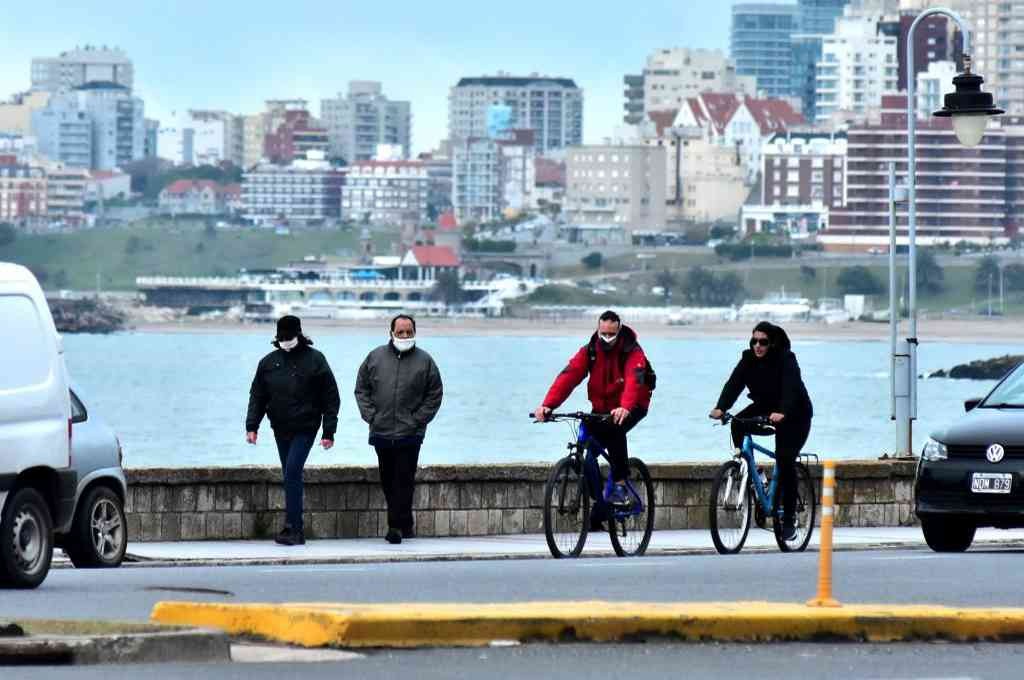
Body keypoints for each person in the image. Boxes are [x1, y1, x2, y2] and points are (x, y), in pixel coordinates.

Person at [534, 310, 654, 519]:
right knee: (587, 452)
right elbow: (568, 376)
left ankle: (620, 484)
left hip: (634, 404)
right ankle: (600, 507)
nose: (607, 338)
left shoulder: (632, 351)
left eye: (611, 334)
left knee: (615, 428)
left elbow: (634, 381)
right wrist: (547, 405)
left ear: (619, 331)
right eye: (603, 333)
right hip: (602, 408)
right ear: (598, 330)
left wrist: (625, 406)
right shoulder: (590, 350)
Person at [709, 321, 813, 541]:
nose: (757, 346)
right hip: (766, 407)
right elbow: (734, 383)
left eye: (763, 342)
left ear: (772, 343)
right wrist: (721, 407)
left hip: (795, 414)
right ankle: (749, 468)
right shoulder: (748, 359)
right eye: (754, 341)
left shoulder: (786, 359)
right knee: (737, 423)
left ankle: (789, 520)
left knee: (785, 459)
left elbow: (791, 387)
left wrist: (783, 411)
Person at [246, 315, 340, 546]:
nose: (286, 341)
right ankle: (293, 528)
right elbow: (257, 396)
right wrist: (252, 426)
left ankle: (294, 528)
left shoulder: (316, 359)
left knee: (292, 472)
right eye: (282, 338)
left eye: (289, 337)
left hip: (306, 426)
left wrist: (328, 431)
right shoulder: (268, 363)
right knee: (290, 475)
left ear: (299, 335)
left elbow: (331, 397)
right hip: (280, 427)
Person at [355, 314, 443, 545]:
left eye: (409, 332)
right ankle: (406, 524)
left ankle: (394, 527)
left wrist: (416, 420)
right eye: (401, 332)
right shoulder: (374, 357)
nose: (405, 335)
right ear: (391, 333)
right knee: (387, 480)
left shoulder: (425, 361)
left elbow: (434, 395)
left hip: (410, 433)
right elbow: (361, 389)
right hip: (381, 431)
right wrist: (371, 416)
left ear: (415, 332)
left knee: (403, 479)